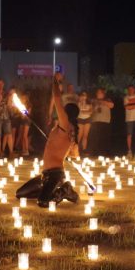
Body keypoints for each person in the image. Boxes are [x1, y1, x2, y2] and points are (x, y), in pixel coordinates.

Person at [16, 73, 79, 208]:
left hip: (56, 175)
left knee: (44, 202)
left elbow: (56, 98)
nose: (60, 112)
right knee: (20, 194)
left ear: (67, 114)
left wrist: (55, 81)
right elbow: (67, 152)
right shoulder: (63, 128)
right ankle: (51, 191)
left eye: (63, 110)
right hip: (45, 176)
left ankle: (65, 190)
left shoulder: (66, 125)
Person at [89, 88, 114, 155]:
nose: (98, 94)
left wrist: (102, 102)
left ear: (103, 94)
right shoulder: (94, 100)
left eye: (100, 93)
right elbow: (90, 109)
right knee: (96, 137)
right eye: (97, 93)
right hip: (95, 120)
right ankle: (95, 151)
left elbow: (111, 105)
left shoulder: (107, 100)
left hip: (105, 121)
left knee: (104, 137)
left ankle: (104, 151)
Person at [77, 91, 92, 155]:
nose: (83, 96)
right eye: (82, 95)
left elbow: (91, 112)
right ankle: (76, 149)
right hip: (80, 119)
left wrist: (85, 112)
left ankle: (84, 150)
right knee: (79, 135)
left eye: (85, 95)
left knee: (85, 136)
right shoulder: (78, 103)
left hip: (87, 119)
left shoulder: (89, 103)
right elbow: (78, 111)